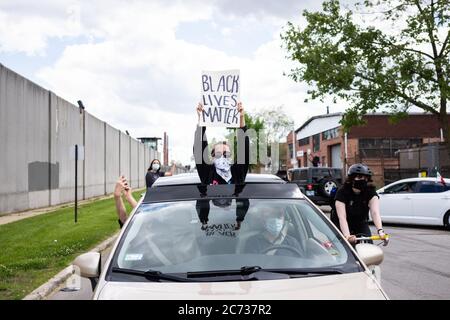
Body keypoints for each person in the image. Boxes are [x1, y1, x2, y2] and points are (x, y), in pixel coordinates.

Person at [331, 164, 388, 246]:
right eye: (359, 177)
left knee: (369, 246)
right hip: (342, 223)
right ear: (352, 179)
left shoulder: (370, 192)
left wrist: (380, 231)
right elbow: (342, 217)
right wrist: (347, 236)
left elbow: (375, 213)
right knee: (345, 247)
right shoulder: (342, 192)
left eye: (365, 178)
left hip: (360, 222)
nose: (363, 180)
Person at [193, 102, 249, 185]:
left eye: (226, 154)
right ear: (212, 157)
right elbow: (198, 149)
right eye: (218, 154)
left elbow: (244, 150)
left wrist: (241, 118)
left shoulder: (237, 172)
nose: (222, 157)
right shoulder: (207, 173)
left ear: (231, 157)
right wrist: (202, 119)